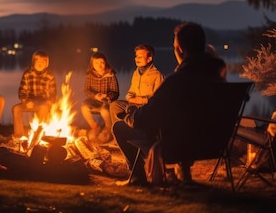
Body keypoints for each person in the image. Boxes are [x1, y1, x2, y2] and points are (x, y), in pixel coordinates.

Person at [112, 22, 227, 185]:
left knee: (119, 127)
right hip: (214, 144)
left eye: (174, 46)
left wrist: (130, 112)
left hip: (177, 147)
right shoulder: (218, 77)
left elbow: (142, 120)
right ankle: (184, 174)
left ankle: (138, 176)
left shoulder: (177, 81)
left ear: (180, 49)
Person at [110, 44, 164, 123]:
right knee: (115, 105)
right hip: (133, 104)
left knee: (133, 111)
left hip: (146, 107)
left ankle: (133, 129)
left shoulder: (157, 75)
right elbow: (131, 91)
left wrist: (142, 100)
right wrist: (129, 97)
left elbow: (159, 99)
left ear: (149, 59)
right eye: (136, 56)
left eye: (140, 57)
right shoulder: (136, 73)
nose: (137, 59)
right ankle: (118, 131)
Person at [11, 50, 57, 138]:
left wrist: (49, 102)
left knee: (43, 107)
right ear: (34, 62)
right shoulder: (27, 74)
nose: (40, 64)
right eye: (38, 61)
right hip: (30, 101)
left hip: (44, 102)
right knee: (16, 108)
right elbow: (22, 91)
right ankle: (19, 136)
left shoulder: (50, 76)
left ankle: (39, 136)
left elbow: (53, 94)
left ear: (47, 64)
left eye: (43, 62)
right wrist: (26, 101)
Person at [80, 52, 119, 143]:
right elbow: (86, 90)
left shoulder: (110, 75)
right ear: (92, 64)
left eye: (102, 62)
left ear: (105, 63)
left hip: (107, 101)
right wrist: (95, 96)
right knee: (84, 108)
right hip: (94, 100)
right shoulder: (90, 75)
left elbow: (115, 92)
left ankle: (109, 129)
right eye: (96, 63)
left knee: (104, 110)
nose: (99, 65)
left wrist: (107, 96)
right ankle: (95, 126)